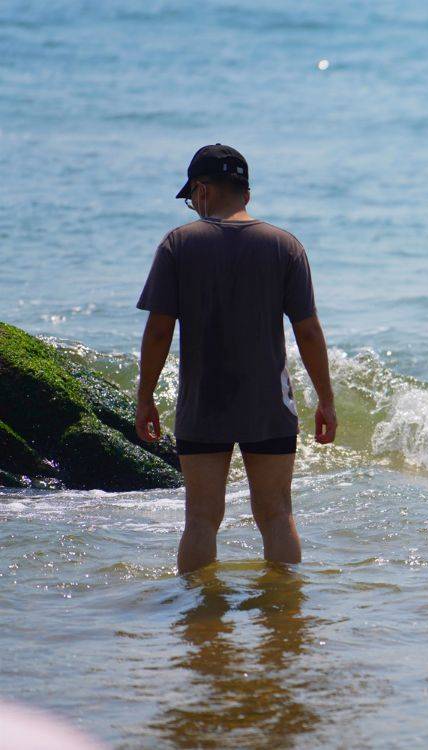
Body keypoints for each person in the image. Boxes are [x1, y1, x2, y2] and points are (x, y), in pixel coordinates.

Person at [134, 144, 337, 574]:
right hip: (267, 403)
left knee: (201, 519)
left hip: (203, 401)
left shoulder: (178, 244)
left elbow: (158, 331)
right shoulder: (285, 246)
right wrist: (326, 400)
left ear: (202, 190)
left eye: (191, 198)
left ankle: (201, 626)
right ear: (245, 193)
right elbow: (308, 331)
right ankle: (284, 622)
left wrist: (145, 396)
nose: (192, 207)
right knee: (277, 516)